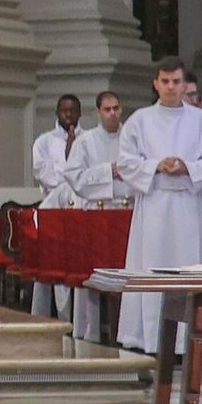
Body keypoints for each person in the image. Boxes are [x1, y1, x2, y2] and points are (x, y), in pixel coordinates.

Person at [117, 56, 202, 355]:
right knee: (152, 268)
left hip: (189, 206)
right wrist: (155, 166)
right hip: (154, 204)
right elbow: (126, 162)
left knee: (191, 267)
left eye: (176, 81)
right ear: (155, 83)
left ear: (184, 84)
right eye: (165, 81)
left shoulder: (200, 120)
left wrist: (188, 167)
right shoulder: (139, 120)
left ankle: (191, 340)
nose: (170, 87)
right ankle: (151, 340)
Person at [63, 92, 127, 342]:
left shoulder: (133, 138)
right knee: (91, 274)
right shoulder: (86, 141)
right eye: (107, 109)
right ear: (98, 112)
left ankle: (126, 333)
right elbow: (74, 177)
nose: (112, 113)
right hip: (98, 215)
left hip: (127, 212)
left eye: (116, 108)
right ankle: (89, 332)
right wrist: (108, 171)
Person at [31, 94, 83, 319]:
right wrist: (71, 169)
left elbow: (90, 175)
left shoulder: (89, 139)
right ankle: (42, 315)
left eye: (72, 111)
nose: (68, 115)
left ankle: (77, 319)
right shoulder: (44, 141)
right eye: (64, 111)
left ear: (80, 113)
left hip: (81, 209)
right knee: (48, 266)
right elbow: (43, 174)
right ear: (57, 112)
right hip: (53, 208)